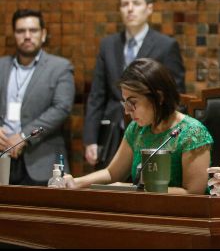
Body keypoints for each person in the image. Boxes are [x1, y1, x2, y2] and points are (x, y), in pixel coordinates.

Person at [65, 58, 211, 194]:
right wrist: (76, 182)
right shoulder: (137, 129)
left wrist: (134, 189)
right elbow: (112, 173)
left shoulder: (193, 133)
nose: (127, 111)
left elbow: (193, 193)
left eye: (132, 102)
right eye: (125, 102)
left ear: (159, 97)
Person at [83, 0, 185, 170]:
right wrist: (90, 139)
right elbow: (97, 95)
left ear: (149, 9)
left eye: (136, 3)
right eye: (125, 4)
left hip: (154, 132)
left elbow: (176, 95)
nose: (130, 9)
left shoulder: (166, 46)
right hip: (114, 132)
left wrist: (172, 137)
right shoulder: (108, 45)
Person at [0, 9, 75, 185]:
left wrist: (24, 136)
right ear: (14, 34)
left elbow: (61, 108)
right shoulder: (1, 66)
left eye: (33, 30)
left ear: (43, 34)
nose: (27, 36)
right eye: (20, 31)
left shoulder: (60, 67)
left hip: (42, 162)